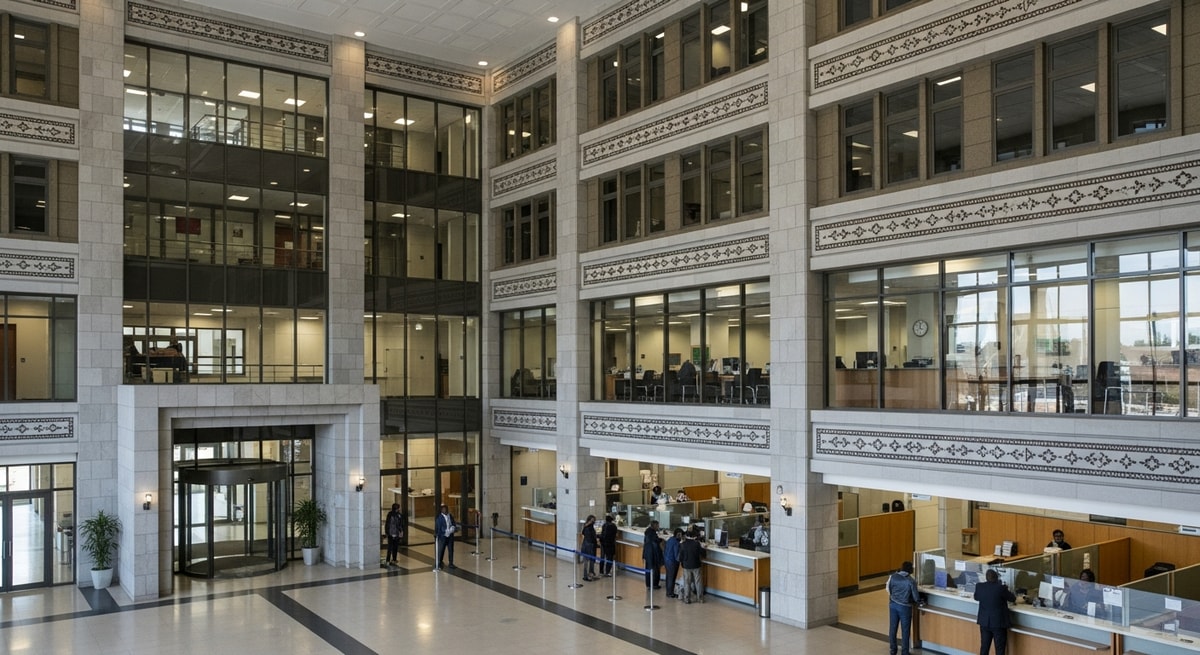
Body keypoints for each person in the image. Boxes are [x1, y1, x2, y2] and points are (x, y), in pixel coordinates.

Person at [974, 568, 1016, 655]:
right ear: (997, 578)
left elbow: (976, 597)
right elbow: (1012, 598)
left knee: (984, 647)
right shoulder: (1001, 588)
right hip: (998, 623)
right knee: (999, 648)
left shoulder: (979, 586)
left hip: (984, 622)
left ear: (986, 578)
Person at [886, 560, 919, 655]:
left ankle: (893, 649)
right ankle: (904, 652)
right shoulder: (910, 581)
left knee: (893, 628)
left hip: (893, 605)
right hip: (905, 607)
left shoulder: (893, 577)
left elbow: (890, 590)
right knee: (905, 630)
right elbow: (916, 597)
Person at [678, 528, 705, 603]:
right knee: (698, 582)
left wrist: (682, 562)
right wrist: (703, 548)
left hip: (686, 565)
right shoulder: (697, 544)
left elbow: (680, 556)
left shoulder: (683, 544)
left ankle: (687, 598)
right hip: (696, 564)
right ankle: (700, 598)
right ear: (694, 536)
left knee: (687, 582)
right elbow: (702, 553)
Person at [434, 504, 458, 570]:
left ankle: (451, 563)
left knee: (451, 550)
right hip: (443, 536)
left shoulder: (450, 516)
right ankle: (439, 563)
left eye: (446, 509)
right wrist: (444, 531)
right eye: (444, 509)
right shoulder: (439, 518)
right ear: (441, 510)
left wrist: (453, 527)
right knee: (441, 550)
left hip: (450, 536)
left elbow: (453, 523)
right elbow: (438, 528)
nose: (446, 510)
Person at [642, 520, 664, 589]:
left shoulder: (648, 532)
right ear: (653, 525)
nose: (658, 527)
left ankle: (648, 584)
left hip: (648, 554)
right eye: (657, 525)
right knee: (655, 570)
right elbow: (656, 542)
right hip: (653, 555)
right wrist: (661, 540)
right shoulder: (652, 534)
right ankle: (654, 584)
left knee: (648, 569)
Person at [663, 528, 683, 598]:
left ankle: (668, 591)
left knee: (668, 577)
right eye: (681, 535)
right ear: (678, 535)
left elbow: (665, 549)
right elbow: (676, 556)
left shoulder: (670, 539)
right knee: (672, 577)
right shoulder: (676, 543)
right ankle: (670, 593)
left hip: (667, 560)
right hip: (672, 562)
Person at [580, 514, 599, 581]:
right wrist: (596, 541)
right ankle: (588, 575)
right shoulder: (589, 528)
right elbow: (591, 538)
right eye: (593, 520)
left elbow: (583, 534)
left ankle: (589, 574)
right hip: (590, 546)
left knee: (587, 561)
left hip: (585, 545)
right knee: (589, 561)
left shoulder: (585, 527)